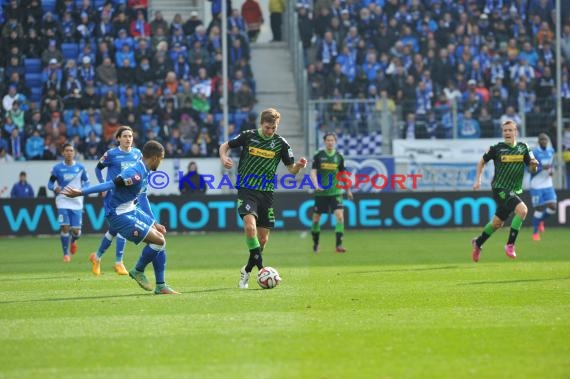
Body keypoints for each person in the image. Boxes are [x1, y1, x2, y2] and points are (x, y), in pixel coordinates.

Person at [62, 140, 179, 295]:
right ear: (155, 158)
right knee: (158, 241)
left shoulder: (145, 172)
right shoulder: (135, 174)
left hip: (130, 209)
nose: (161, 162)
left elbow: (142, 199)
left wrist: (154, 223)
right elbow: (110, 184)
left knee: (160, 239)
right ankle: (138, 270)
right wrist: (81, 192)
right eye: (162, 159)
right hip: (119, 214)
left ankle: (161, 286)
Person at [219, 108, 307, 289]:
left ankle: (247, 269)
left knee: (263, 240)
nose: (270, 131)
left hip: (267, 193)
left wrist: (298, 166)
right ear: (261, 124)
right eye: (267, 127)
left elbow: (291, 169)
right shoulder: (248, 136)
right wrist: (223, 157)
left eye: (273, 128)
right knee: (250, 228)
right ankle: (262, 269)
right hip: (247, 190)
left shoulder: (281, 143)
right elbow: (225, 145)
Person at [471, 120, 538, 262]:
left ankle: (478, 243)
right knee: (523, 210)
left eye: (510, 130)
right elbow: (481, 162)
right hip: (500, 188)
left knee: (497, 224)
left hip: (514, 190)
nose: (507, 133)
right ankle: (510, 245)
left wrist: (534, 165)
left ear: (516, 132)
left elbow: (532, 168)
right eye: (505, 130)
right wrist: (478, 179)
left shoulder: (524, 148)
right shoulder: (496, 148)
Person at [89, 126, 142, 276]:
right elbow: (98, 169)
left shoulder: (137, 154)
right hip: (113, 197)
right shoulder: (111, 154)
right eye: (125, 136)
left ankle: (97, 257)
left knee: (114, 229)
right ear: (118, 138)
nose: (128, 139)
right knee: (122, 226)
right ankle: (119, 263)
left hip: (130, 197)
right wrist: (102, 187)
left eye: (130, 136)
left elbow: (140, 173)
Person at [309, 133, 353, 253]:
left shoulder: (339, 156)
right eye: (328, 140)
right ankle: (316, 244)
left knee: (339, 217)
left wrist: (348, 190)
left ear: (335, 142)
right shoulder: (319, 155)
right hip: (321, 193)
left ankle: (338, 246)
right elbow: (313, 172)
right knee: (316, 219)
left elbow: (343, 174)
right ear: (324, 142)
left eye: (332, 140)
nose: (330, 142)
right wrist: (316, 185)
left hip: (336, 192)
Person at [47, 144, 90, 262]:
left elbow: (87, 183)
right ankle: (66, 254)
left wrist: (82, 190)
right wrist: (54, 188)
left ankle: (74, 241)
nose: (69, 152)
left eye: (71, 150)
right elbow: (50, 184)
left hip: (76, 201)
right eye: (67, 150)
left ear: (74, 153)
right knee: (65, 227)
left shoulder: (81, 167)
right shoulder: (57, 168)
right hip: (62, 200)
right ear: (63, 153)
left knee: (76, 231)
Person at [529, 133, 557, 241]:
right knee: (539, 208)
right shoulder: (534, 152)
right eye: (541, 139)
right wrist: (541, 167)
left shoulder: (551, 151)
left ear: (547, 141)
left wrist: (552, 171)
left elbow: (552, 165)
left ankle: (540, 220)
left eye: (545, 139)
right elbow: (530, 169)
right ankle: (535, 233)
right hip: (536, 184)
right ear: (538, 141)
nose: (543, 141)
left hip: (548, 183)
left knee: (553, 207)